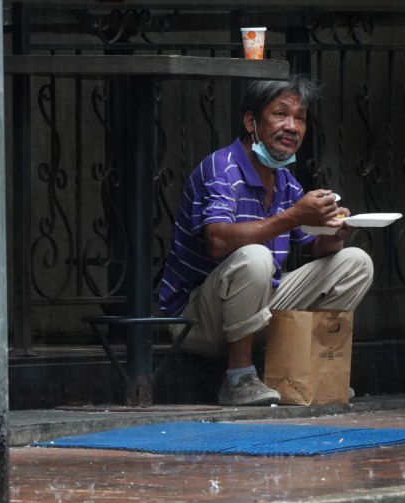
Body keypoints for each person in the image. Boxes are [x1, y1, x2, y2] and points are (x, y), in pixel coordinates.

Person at [159, 75, 374, 406]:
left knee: (355, 263)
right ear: (251, 122)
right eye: (280, 114)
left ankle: (303, 367)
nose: (292, 126)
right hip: (197, 321)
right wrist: (293, 217)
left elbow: (315, 248)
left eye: (300, 118)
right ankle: (239, 378)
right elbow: (216, 241)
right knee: (256, 257)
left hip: (259, 307)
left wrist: (335, 232)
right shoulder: (222, 168)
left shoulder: (285, 181)